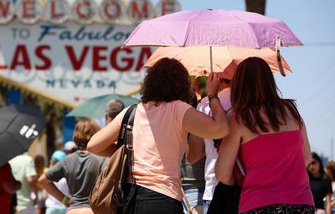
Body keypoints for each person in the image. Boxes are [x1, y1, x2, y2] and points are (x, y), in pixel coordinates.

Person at [87, 58, 229, 214]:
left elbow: (93, 145)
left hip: (128, 200)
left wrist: (128, 154)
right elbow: (221, 129)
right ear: (181, 84)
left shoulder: (133, 111)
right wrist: (212, 95)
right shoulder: (179, 109)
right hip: (163, 198)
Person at [215, 57, 315, 213]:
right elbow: (307, 158)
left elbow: (222, 173)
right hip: (301, 203)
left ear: (239, 84)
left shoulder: (239, 119)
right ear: (270, 81)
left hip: (259, 203)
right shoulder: (292, 111)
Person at [39, 118, 105, 214]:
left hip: (72, 210)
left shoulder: (67, 160)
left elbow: (43, 180)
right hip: (93, 210)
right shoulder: (101, 159)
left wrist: (65, 200)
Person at [187, 76, 232, 214]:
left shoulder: (205, 105)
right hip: (251, 192)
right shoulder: (255, 103)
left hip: (215, 189)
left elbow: (193, 155)